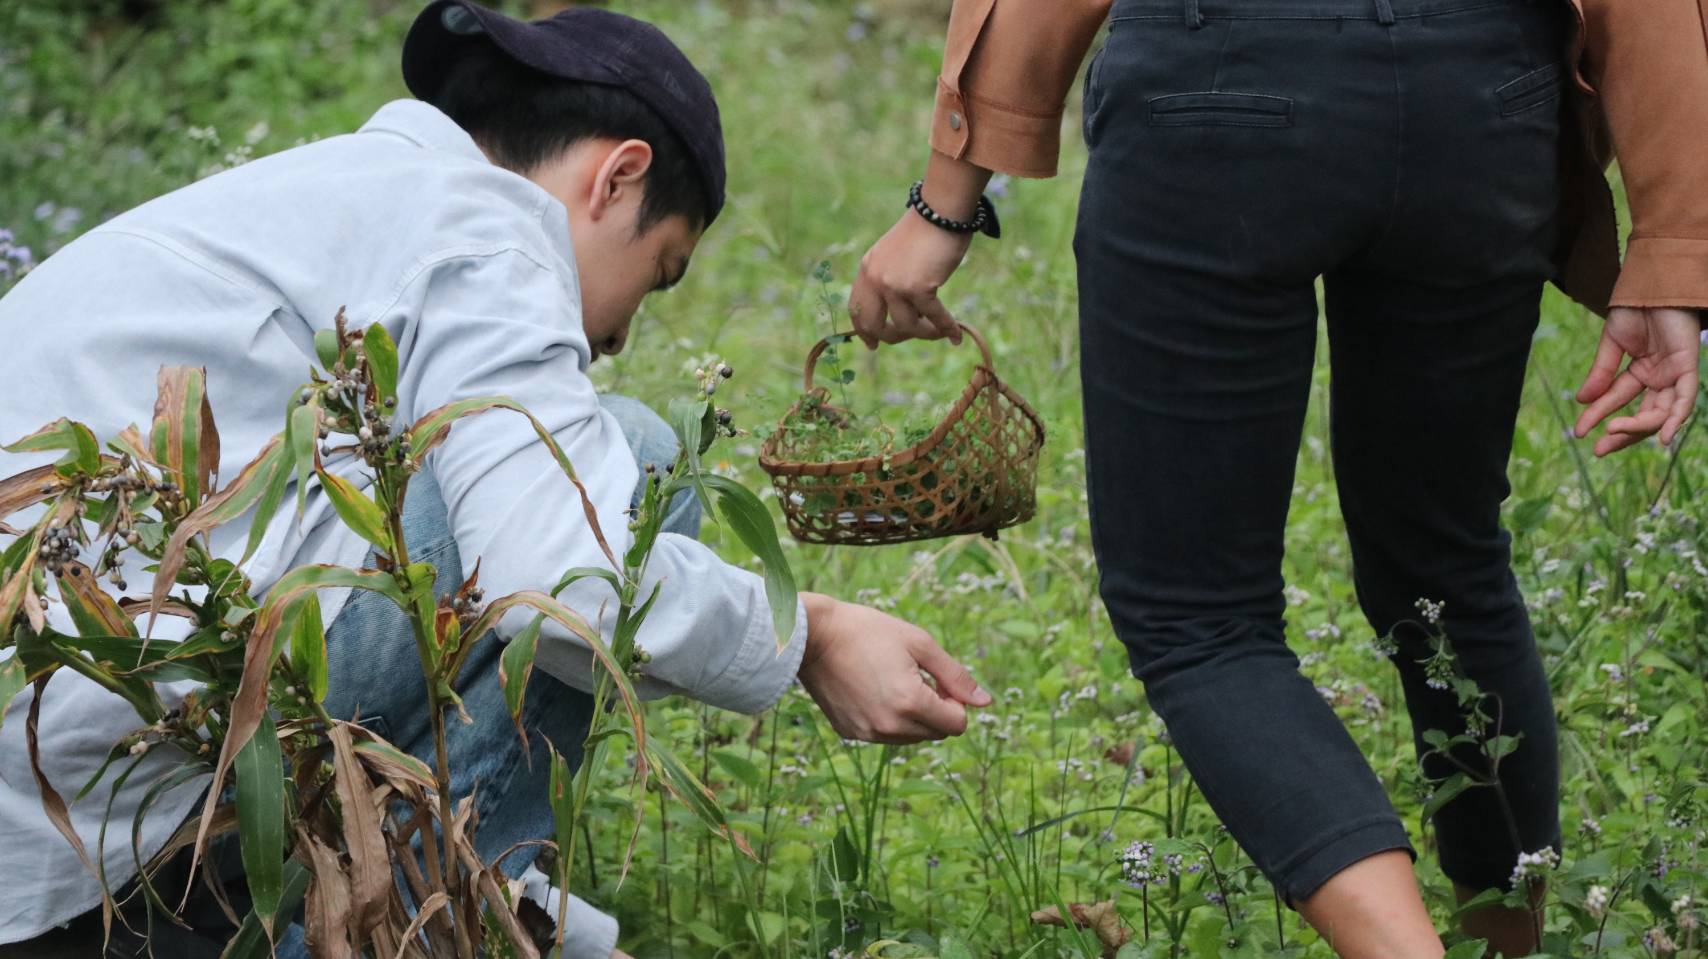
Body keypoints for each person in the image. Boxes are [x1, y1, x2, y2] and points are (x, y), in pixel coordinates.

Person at [0, 3, 992, 957]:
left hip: (46, 737)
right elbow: (561, 581)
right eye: (658, 270)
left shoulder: (331, 195)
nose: (612, 338)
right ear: (615, 178)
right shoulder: (485, 221)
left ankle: (431, 911)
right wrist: (806, 630)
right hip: (104, 720)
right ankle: (408, 935)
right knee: (637, 460)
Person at [851, 0, 1705, 955]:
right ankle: (1510, 946)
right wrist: (1674, 246)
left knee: (1200, 616)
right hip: (1480, 93)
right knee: (1447, 574)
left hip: (1217, 81)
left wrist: (947, 193)